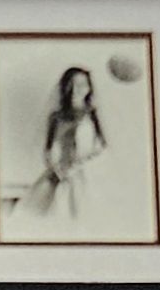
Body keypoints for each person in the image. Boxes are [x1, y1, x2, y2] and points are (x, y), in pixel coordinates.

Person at [16, 64, 108, 217]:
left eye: (82, 85)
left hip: (87, 174)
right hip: (60, 173)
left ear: (89, 88)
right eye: (71, 85)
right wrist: (58, 169)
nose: (76, 89)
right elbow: (48, 149)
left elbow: (102, 147)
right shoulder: (56, 118)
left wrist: (81, 166)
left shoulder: (93, 115)